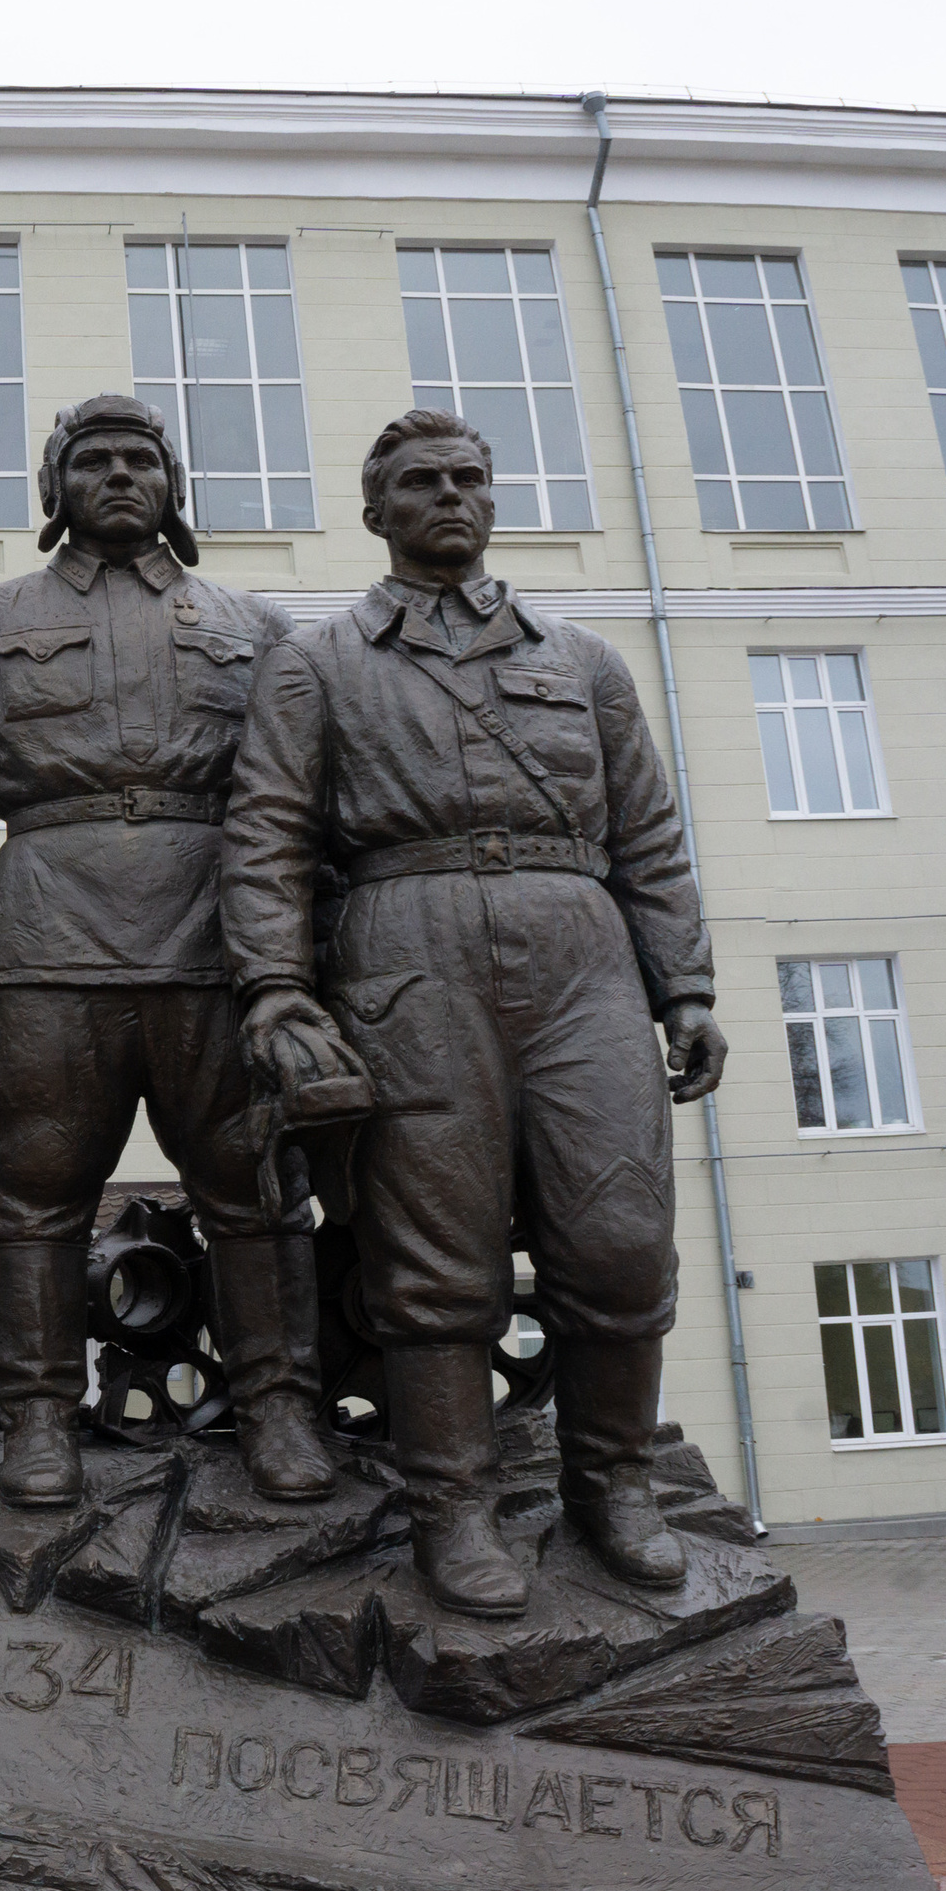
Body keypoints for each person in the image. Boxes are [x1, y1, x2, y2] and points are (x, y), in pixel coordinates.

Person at [221, 410, 729, 1616]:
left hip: (579, 952)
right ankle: (453, 1507)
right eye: (418, 482)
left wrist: (686, 985)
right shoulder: (321, 660)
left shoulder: (583, 659)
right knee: (436, 1260)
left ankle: (614, 1484)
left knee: (617, 1237)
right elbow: (267, 837)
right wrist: (277, 989)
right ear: (374, 511)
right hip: (409, 948)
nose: (449, 496)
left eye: (468, 479)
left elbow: (649, 837)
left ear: (493, 502)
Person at [0, 393, 330, 1510]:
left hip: (216, 934)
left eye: (141, 460)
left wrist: (305, 953)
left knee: (255, 1188)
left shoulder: (258, 625)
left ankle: (277, 1403)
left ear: (173, 486)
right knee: (31, 1195)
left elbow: (300, 798)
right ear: (55, 490)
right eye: (93, 462)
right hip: (44, 930)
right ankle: (37, 1417)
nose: (119, 477)